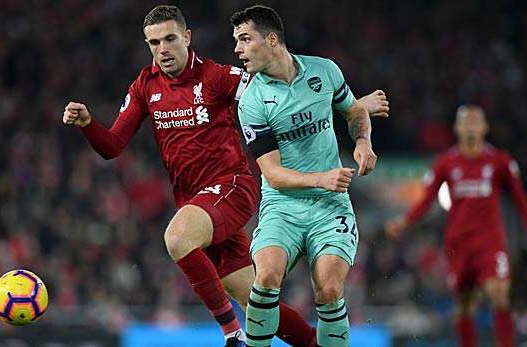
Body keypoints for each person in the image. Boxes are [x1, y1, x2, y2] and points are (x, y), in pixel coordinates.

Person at [63, 5, 388, 346]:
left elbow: (281, 91)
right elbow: (112, 146)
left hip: (232, 186)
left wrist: (354, 106)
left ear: (187, 38)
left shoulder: (218, 76)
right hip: (197, 203)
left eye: (170, 39)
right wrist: (88, 124)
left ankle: (233, 335)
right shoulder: (145, 85)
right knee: (259, 303)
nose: (163, 49)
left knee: (177, 239)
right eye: (154, 42)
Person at [231, 5, 382, 347]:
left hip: (330, 207)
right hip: (282, 205)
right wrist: (320, 178)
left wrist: (362, 141)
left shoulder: (324, 70)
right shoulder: (253, 101)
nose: (237, 49)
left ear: (271, 40)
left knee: (329, 289)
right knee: (266, 277)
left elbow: (353, 110)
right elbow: (272, 173)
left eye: (244, 39)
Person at [385, 105, 527, 347]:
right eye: (466, 122)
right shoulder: (446, 162)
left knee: (499, 293)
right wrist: (406, 220)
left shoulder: (499, 161)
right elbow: (428, 197)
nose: (471, 126)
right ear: (457, 128)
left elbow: (518, 197)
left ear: (484, 127)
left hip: (490, 241)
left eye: (475, 122)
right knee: (464, 305)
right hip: (459, 242)